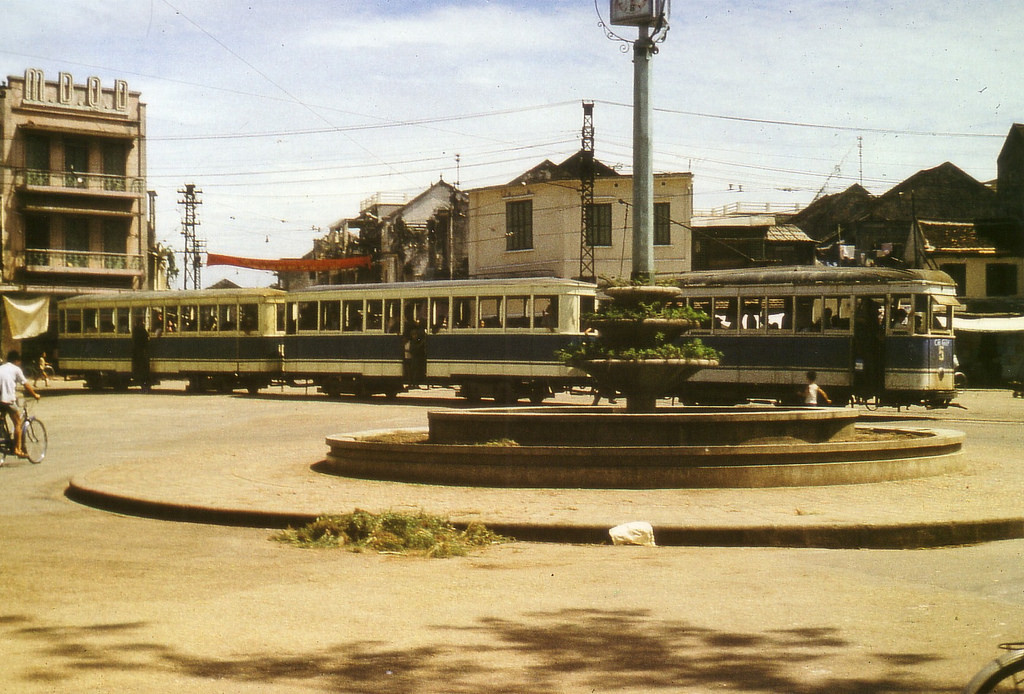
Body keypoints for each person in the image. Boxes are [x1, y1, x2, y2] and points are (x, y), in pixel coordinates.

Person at [0, 350, 40, 458]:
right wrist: (35, 394)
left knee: (2, 417)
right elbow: (26, 384)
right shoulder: (16, 369)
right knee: (17, 423)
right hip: (7, 399)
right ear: (16, 360)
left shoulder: (1, 368)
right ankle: (17, 449)